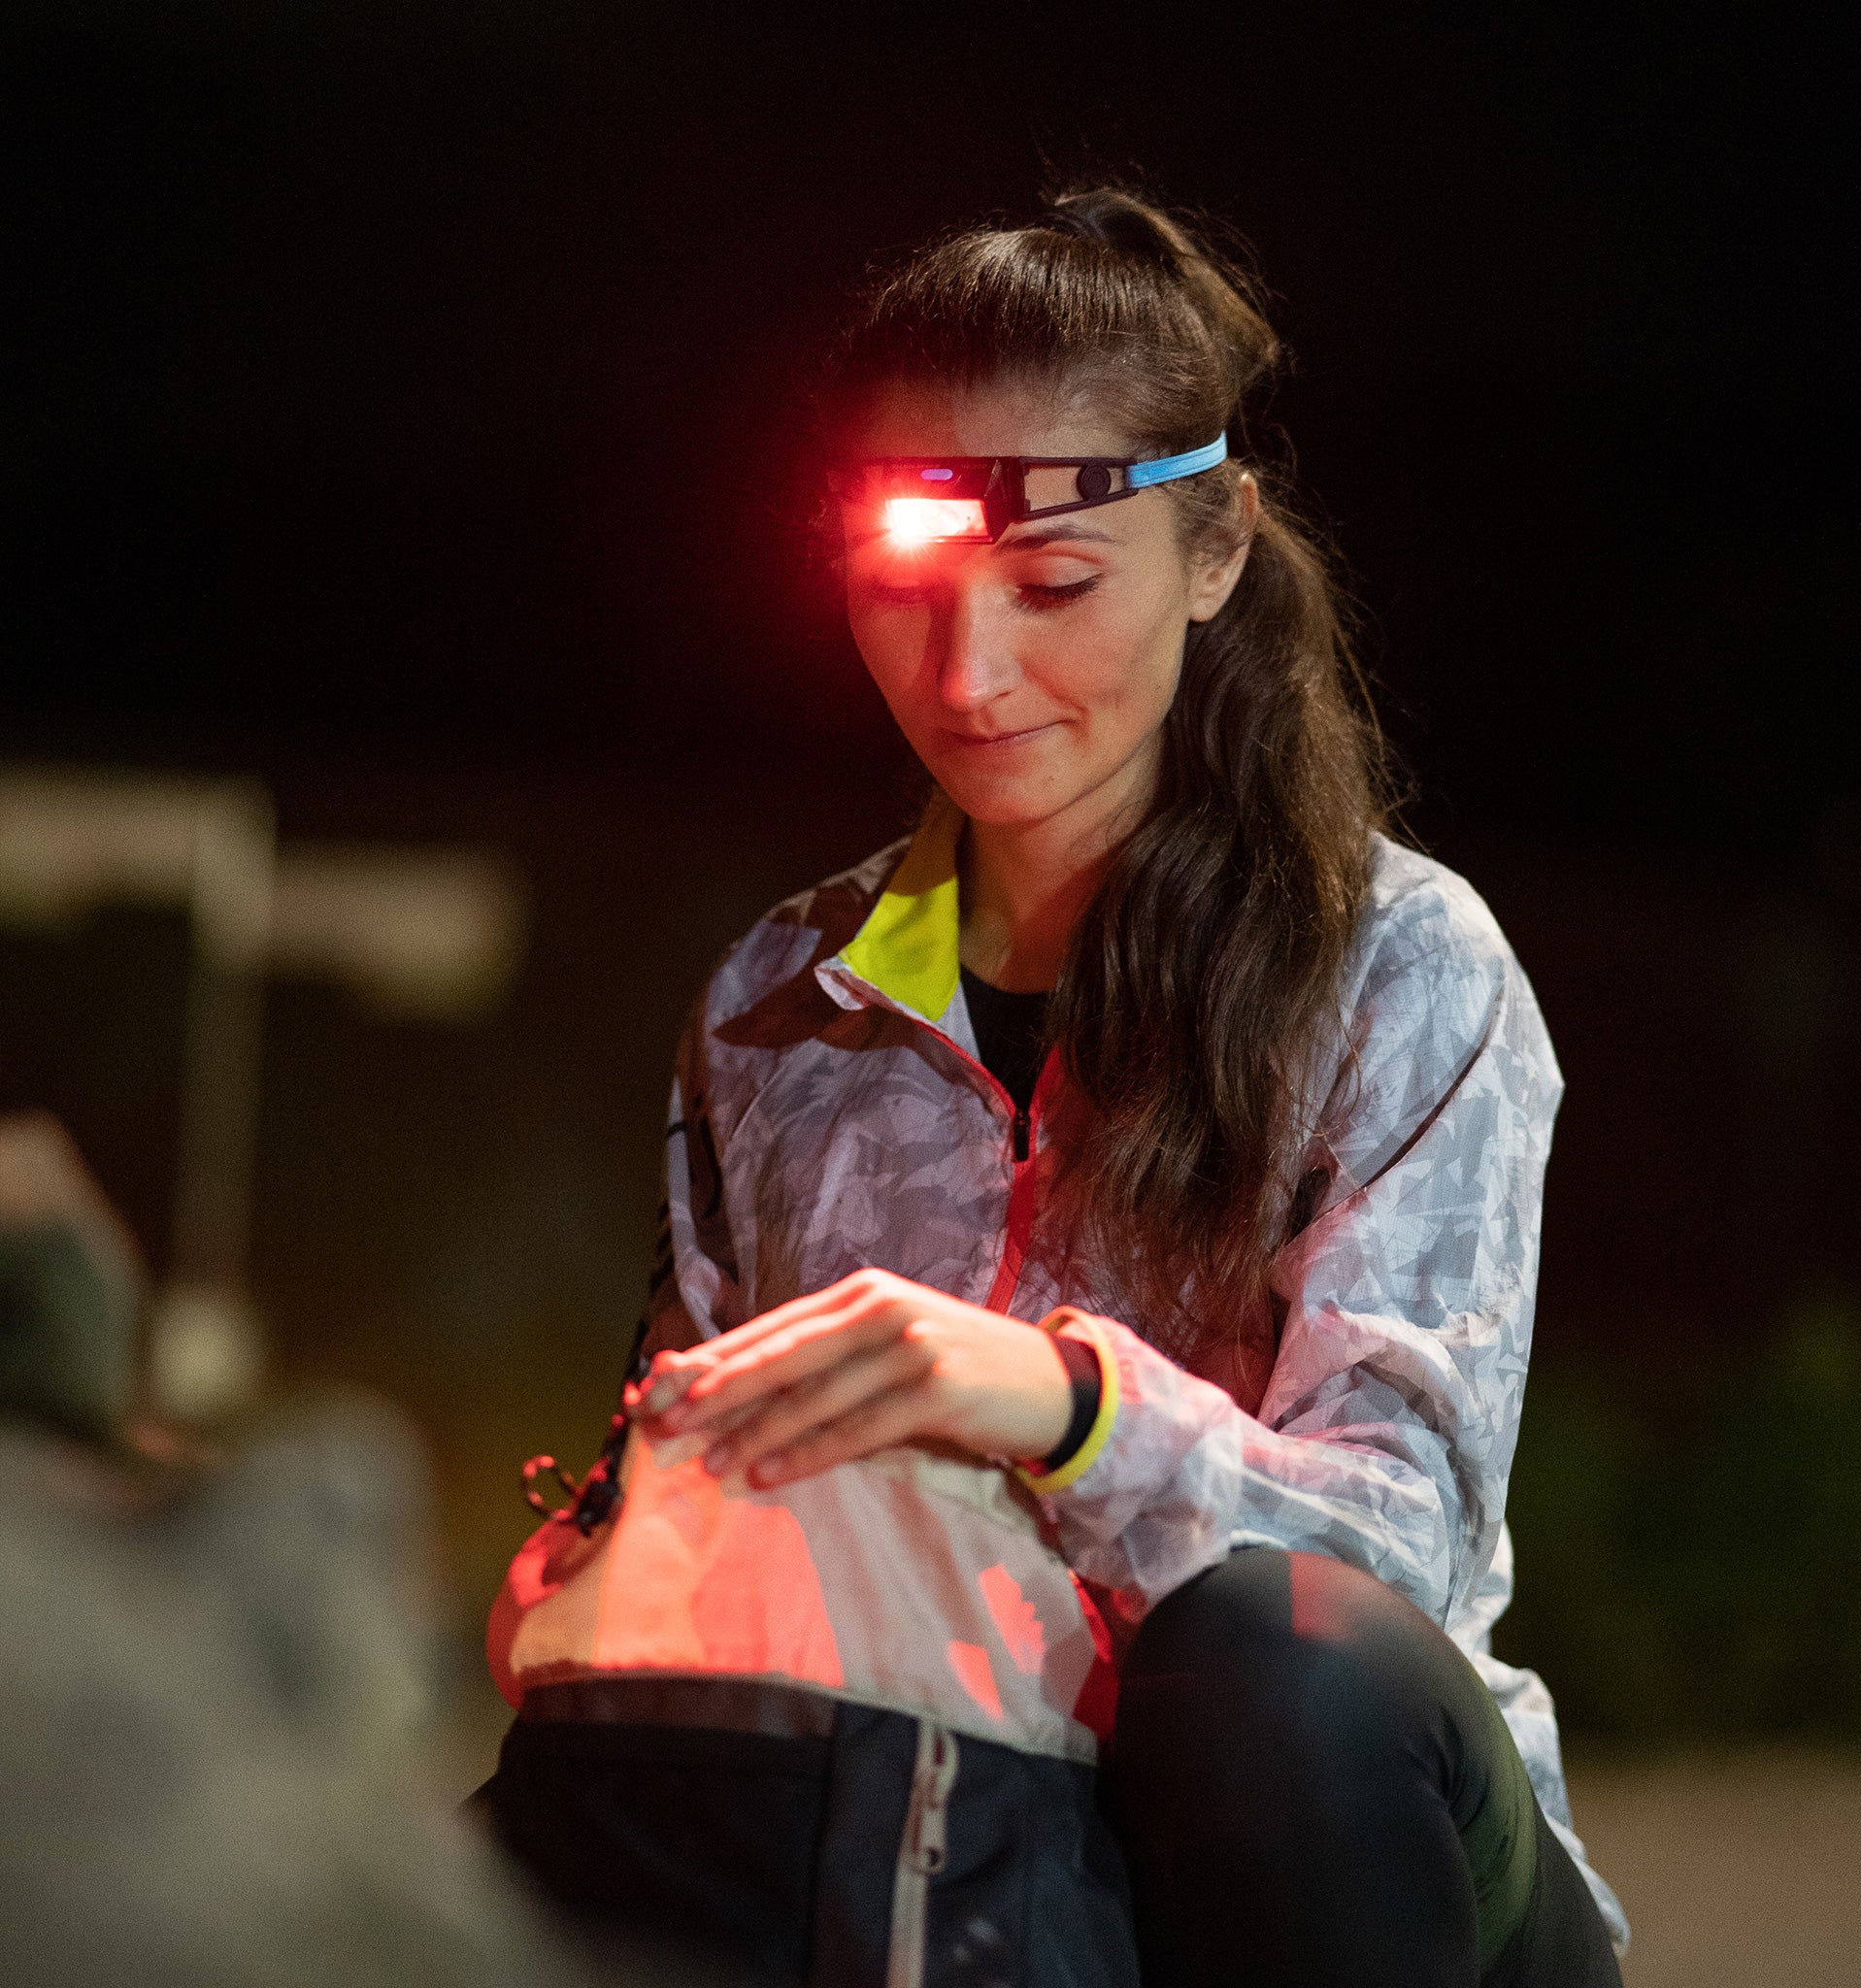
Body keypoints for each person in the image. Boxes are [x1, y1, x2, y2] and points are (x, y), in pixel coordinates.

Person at [485, 186, 1628, 1987]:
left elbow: (1394, 1550)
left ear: (1220, 549)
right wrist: (613, 1551)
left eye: (1058, 587)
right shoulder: (784, 1005)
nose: (972, 674)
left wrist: (1065, 1406)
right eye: (903, 595)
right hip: (938, 1823)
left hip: (1352, 1863)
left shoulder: (1402, 966)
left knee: (1280, 1664)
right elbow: (695, 1467)